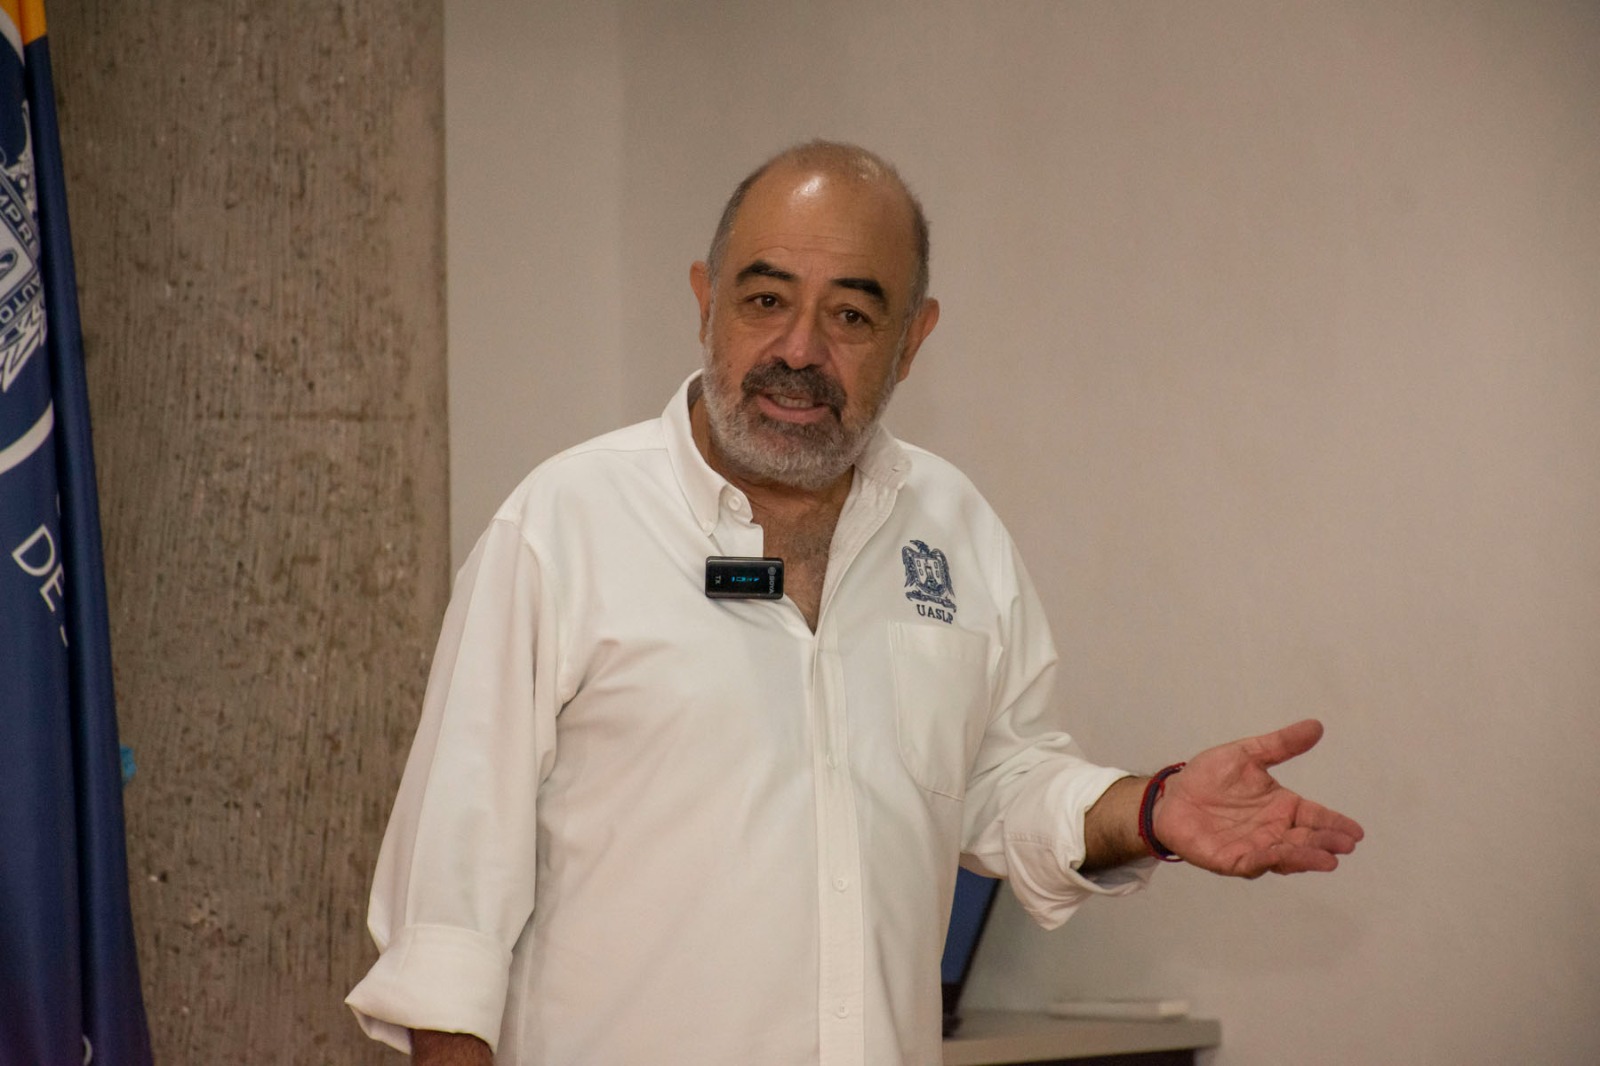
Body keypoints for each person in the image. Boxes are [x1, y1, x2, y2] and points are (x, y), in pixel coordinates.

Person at [346, 141, 1364, 1066]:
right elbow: (451, 903)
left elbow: (1000, 781)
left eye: (851, 315)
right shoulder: (563, 524)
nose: (799, 350)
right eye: (764, 300)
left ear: (912, 339)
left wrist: (1149, 808)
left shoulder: (954, 526)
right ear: (704, 301)